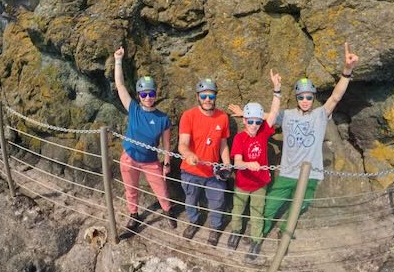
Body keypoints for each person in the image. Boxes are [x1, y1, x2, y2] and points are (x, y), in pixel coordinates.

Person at [258, 43, 360, 257]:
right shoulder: (287, 115)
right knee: (270, 206)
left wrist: (347, 70)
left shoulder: (320, 115)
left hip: (311, 174)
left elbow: (336, 97)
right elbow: (267, 115)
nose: (305, 101)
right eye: (301, 97)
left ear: (313, 98)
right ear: (297, 98)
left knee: (299, 209)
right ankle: (259, 237)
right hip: (287, 172)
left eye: (309, 97)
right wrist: (245, 113)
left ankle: (284, 236)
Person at [113, 47, 175, 234]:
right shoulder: (134, 109)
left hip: (150, 161)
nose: (148, 97)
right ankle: (134, 214)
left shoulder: (163, 118)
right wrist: (118, 60)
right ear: (139, 96)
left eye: (151, 94)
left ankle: (168, 210)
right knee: (130, 189)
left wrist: (166, 163)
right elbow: (120, 86)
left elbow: (166, 144)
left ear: (156, 94)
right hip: (130, 157)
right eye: (144, 94)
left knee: (161, 189)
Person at [226, 69, 282, 254]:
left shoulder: (263, 133)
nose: (254, 125)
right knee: (237, 209)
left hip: (259, 183)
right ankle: (236, 231)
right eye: (250, 121)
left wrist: (277, 90)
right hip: (242, 182)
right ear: (244, 120)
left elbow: (273, 113)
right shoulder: (240, 138)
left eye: (257, 122)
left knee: (257, 213)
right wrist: (248, 165)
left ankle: (256, 240)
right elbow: (237, 162)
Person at [178, 78, 231, 245]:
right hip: (191, 170)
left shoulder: (222, 117)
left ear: (215, 96)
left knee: (218, 201)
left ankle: (215, 227)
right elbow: (182, 144)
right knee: (190, 200)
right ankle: (194, 221)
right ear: (198, 96)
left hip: (213, 171)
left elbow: (223, 144)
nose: (207, 99)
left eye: (211, 95)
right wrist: (188, 154)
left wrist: (227, 165)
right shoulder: (188, 116)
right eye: (204, 95)